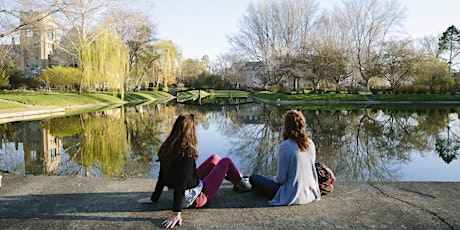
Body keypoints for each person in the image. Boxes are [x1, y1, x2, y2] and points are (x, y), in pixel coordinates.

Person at [137, 113, 251, 228]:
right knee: (226, 161)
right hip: (193, 199)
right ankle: (246, 186)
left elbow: (162, 176)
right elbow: (180, 183)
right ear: (191, 130)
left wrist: (154, 198)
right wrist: (177, 213)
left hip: (185, 190)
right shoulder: (187, 152)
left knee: (215, 158)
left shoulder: (167, 147)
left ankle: (236, 179)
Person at [249, 110, 321, 205]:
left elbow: (280, 179)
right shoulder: (310, 143)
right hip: (310, 192)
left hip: (291, 193)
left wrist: (272, 178)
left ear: (286, 126)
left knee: (253, 178)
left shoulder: (285, 146)